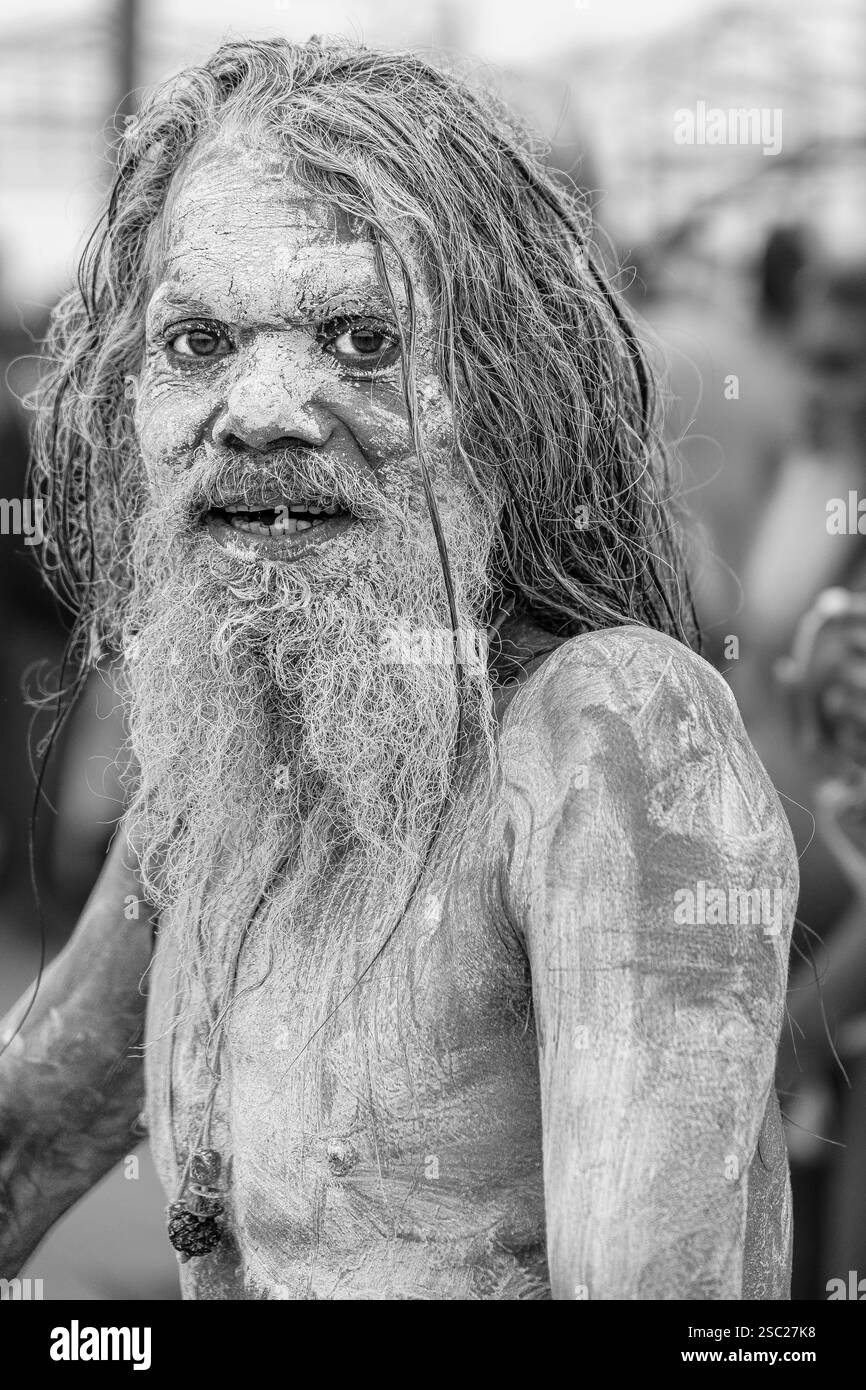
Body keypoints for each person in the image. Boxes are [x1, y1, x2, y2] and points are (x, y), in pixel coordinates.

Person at [0, 38, 797, 1300]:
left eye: (362, 339)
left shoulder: (608, 735)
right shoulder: (215, 779)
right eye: (198, 342)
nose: (260, 407)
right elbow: (26, 1138)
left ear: (505, 396)